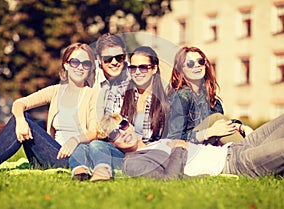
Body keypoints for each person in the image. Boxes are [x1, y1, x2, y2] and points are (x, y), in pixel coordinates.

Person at [0, 43, 98, 170]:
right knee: (22, 117)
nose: (80, 67)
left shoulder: (93, 94)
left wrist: (75, 140)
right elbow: (19, 103)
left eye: (86, 64)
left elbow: (94, 132)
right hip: (49, 154)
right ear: (66, 65)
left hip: (74, 159)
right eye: (75, 62)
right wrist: (21, 120)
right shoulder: (56, 91)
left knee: (25, 119)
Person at [69, 46, 170, 181]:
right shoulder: (120, 92)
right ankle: (80, 172)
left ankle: (102, 170)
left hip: (147, 156)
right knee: (87, 146)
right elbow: (108, 125)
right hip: (122, 152)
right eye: (133, 68)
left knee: (97, 146)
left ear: (154, 69)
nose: (137, 72)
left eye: (143, 67)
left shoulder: (165, 101)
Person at [98, 113, 284, 179]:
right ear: (112, 142)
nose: (122, 132)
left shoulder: (154, 142)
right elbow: (168, 180)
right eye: (114, 134)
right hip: (236, 164)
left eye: (122, 125)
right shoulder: (132, 163)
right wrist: (178, 148)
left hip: (235, 148)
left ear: (129, 124)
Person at [166, 46, 244, 145]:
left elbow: (222, 127)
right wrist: (208, 132)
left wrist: (240, 127)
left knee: (268, 130)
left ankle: (251, 151)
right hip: (188, 151)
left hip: (209, 149)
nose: (197, 65)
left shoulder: (212, 100)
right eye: (190, 63)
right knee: (216, 118)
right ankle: (248, 153)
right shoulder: (181, 97)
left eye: (201, 61)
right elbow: (173, 138)